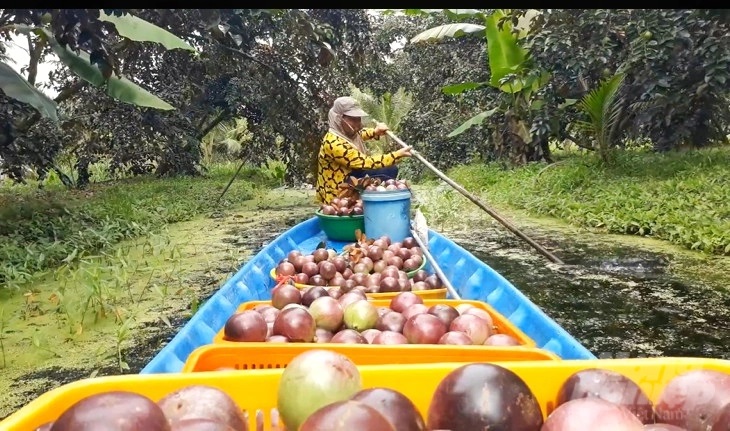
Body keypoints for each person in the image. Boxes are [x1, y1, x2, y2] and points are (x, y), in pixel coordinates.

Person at [316, 96, 413, 205]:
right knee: (388, 170)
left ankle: (371, 198)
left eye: (358, 119)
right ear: (339, 119)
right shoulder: (333, 143)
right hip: (337, 192)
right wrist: (396, 155)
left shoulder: (347, 134)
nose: (358, 124)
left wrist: (375, 132)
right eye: (353, 119)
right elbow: (365, 162)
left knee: (390, 170)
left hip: (351, 177)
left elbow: (359, 135)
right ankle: (361, 201)